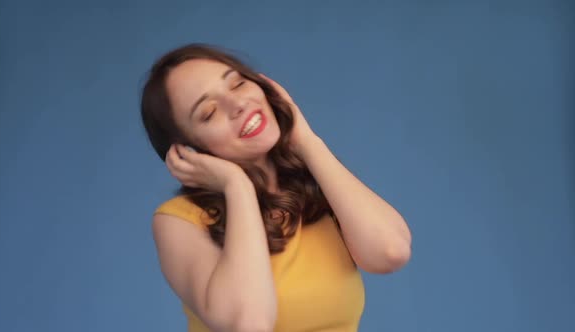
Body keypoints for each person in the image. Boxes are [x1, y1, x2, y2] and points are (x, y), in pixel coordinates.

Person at [141, 43, 412, 332]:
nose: (238, 104)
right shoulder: (179, 221)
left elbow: (390, 252)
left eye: (238, 84)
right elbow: (248, 323)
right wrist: (238, 187)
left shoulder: (316, 189)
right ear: (187, 150)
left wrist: (306, 140)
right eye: (209, 112)